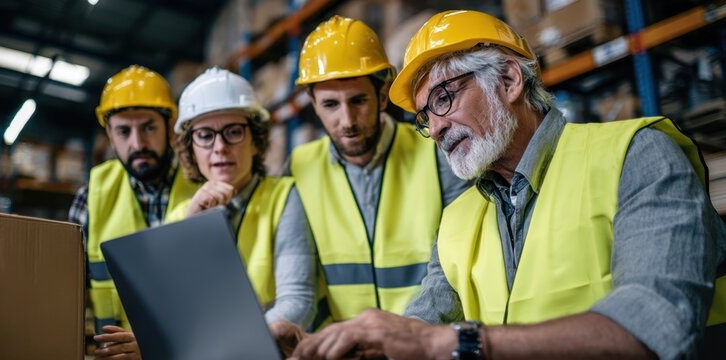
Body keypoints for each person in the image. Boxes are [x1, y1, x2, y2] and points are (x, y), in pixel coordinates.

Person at [289, 10, 726, 360]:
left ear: (509, 80)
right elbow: (423, 323)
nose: (436, 129)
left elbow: (655, 328)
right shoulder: (458, 218)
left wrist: (457, 344)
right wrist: (359, 347)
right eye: (425, 117)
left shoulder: (636, 156)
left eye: (443, 98)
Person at [91, 67, 318, 359]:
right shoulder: (181, 215)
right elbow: (172, 314)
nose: (219, 147)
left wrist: (223, 348)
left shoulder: (283, 196)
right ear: (190, 148)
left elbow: (298, 301)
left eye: (233, 132)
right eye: (205, 135)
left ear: (256, 140)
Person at [285, 15, 470, 331]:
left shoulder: (436, 152)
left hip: (421, 340)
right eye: (330, 105)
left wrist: (405, 338)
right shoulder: (298, 168)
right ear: (312, 103)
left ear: (382, 96)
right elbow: (297, 279)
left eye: (358, 101)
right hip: (343, 346)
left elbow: (454, 265)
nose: (347, 120)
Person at [67, 65, 199, 358]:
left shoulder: (203, 189)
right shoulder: (90, 198)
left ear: (169, 127)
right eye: (124, 131)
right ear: (110, 135)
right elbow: (64, 296)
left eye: (149, 127)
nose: (137, 143)